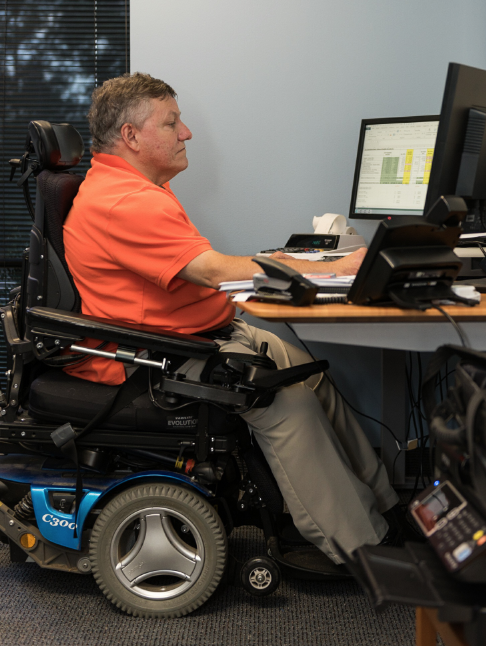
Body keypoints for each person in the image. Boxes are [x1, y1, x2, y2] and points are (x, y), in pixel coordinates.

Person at [63, 72, 400, 564]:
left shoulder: (132, 186)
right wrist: (319, 266)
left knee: (312, 378)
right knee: (289, 404)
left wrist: (291, 262)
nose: (187, 133)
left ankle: (389, 506)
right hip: (155, 358)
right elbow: (214, 269)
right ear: (131, 137)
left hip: (202, 335)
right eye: (172, 122)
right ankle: (365, 549)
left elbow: (198, 266)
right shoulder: (124, 201)